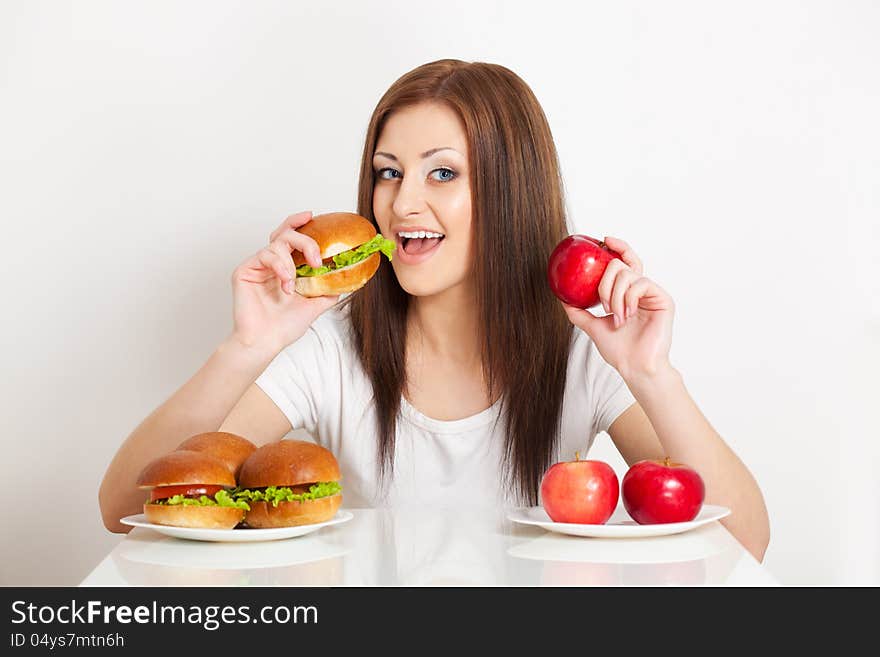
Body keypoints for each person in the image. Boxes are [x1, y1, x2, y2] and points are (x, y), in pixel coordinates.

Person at [99, 59, 770, 561]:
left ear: (511, 192)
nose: (400, 201)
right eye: (388, 172)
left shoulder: (580, 350)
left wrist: (652, 373)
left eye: (441, 172)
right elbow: (125, 504)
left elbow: (746, 539)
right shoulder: (334, 348)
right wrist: (246, 346)